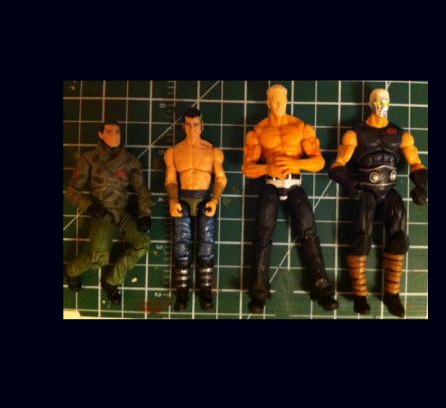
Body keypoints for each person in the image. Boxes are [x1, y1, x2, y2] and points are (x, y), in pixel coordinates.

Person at [329, 88, 428, 317]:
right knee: (361, 236)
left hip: (389, 191)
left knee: (399, 236)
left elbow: (416, 163)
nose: (381, 105)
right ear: (370, 103)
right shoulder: (355, 134)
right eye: (377, 101)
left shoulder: (401, 135)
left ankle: (392, 294)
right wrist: (350, 184)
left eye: (385, 101)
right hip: (366, 190)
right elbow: (337, 166)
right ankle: (359, 294)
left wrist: (422, 186)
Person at [242, 84, 338, 313]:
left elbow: (319, 162)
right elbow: (247, 168)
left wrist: (296, 163)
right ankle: (258, 291)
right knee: (262, 233)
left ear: (287, 100)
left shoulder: (301, 127)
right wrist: (267, 168)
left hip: (294, 184)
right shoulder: (258, 131)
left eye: (281, 99)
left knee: (308, 231)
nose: (277, 104)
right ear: (267, 102)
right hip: (271, 184)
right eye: (273, 100)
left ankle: (322, 288)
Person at [64, 120, 152, 305]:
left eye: (117, 132)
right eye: (109, 132)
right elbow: (72, 191)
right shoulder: (89, 159)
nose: (115, 136)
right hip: (102, 212)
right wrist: (89, 206)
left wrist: (145, 213)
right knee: (99, 258)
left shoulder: (129, 160)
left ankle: (112, 281)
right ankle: (71, 271)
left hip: (122, 211)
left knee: (142, 244)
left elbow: (141, 189)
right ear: (101, 134)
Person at [164, 108, 227, 311]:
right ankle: (182, 293)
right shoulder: (174, 152)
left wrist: (215, 199)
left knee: (206, 245)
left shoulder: (213, 151)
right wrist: (173, 200)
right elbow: (171, 180)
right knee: (180, 245)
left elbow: (221, 178)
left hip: (204, 199)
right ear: (183, 126)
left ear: (202, 125)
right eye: (189, 125)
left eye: (196, 125)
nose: (192, 129)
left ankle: (206, 291)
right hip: (182, 199)